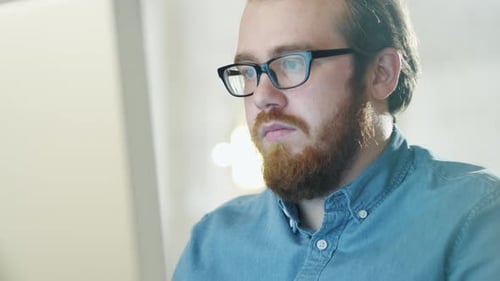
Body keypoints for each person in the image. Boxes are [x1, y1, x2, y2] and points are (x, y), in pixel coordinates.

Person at [173, 0, 500, 280]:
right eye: (247, 70)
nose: (262, 96)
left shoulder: (475, 218)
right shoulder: (213, 245)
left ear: (381, 73)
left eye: (291, 63)